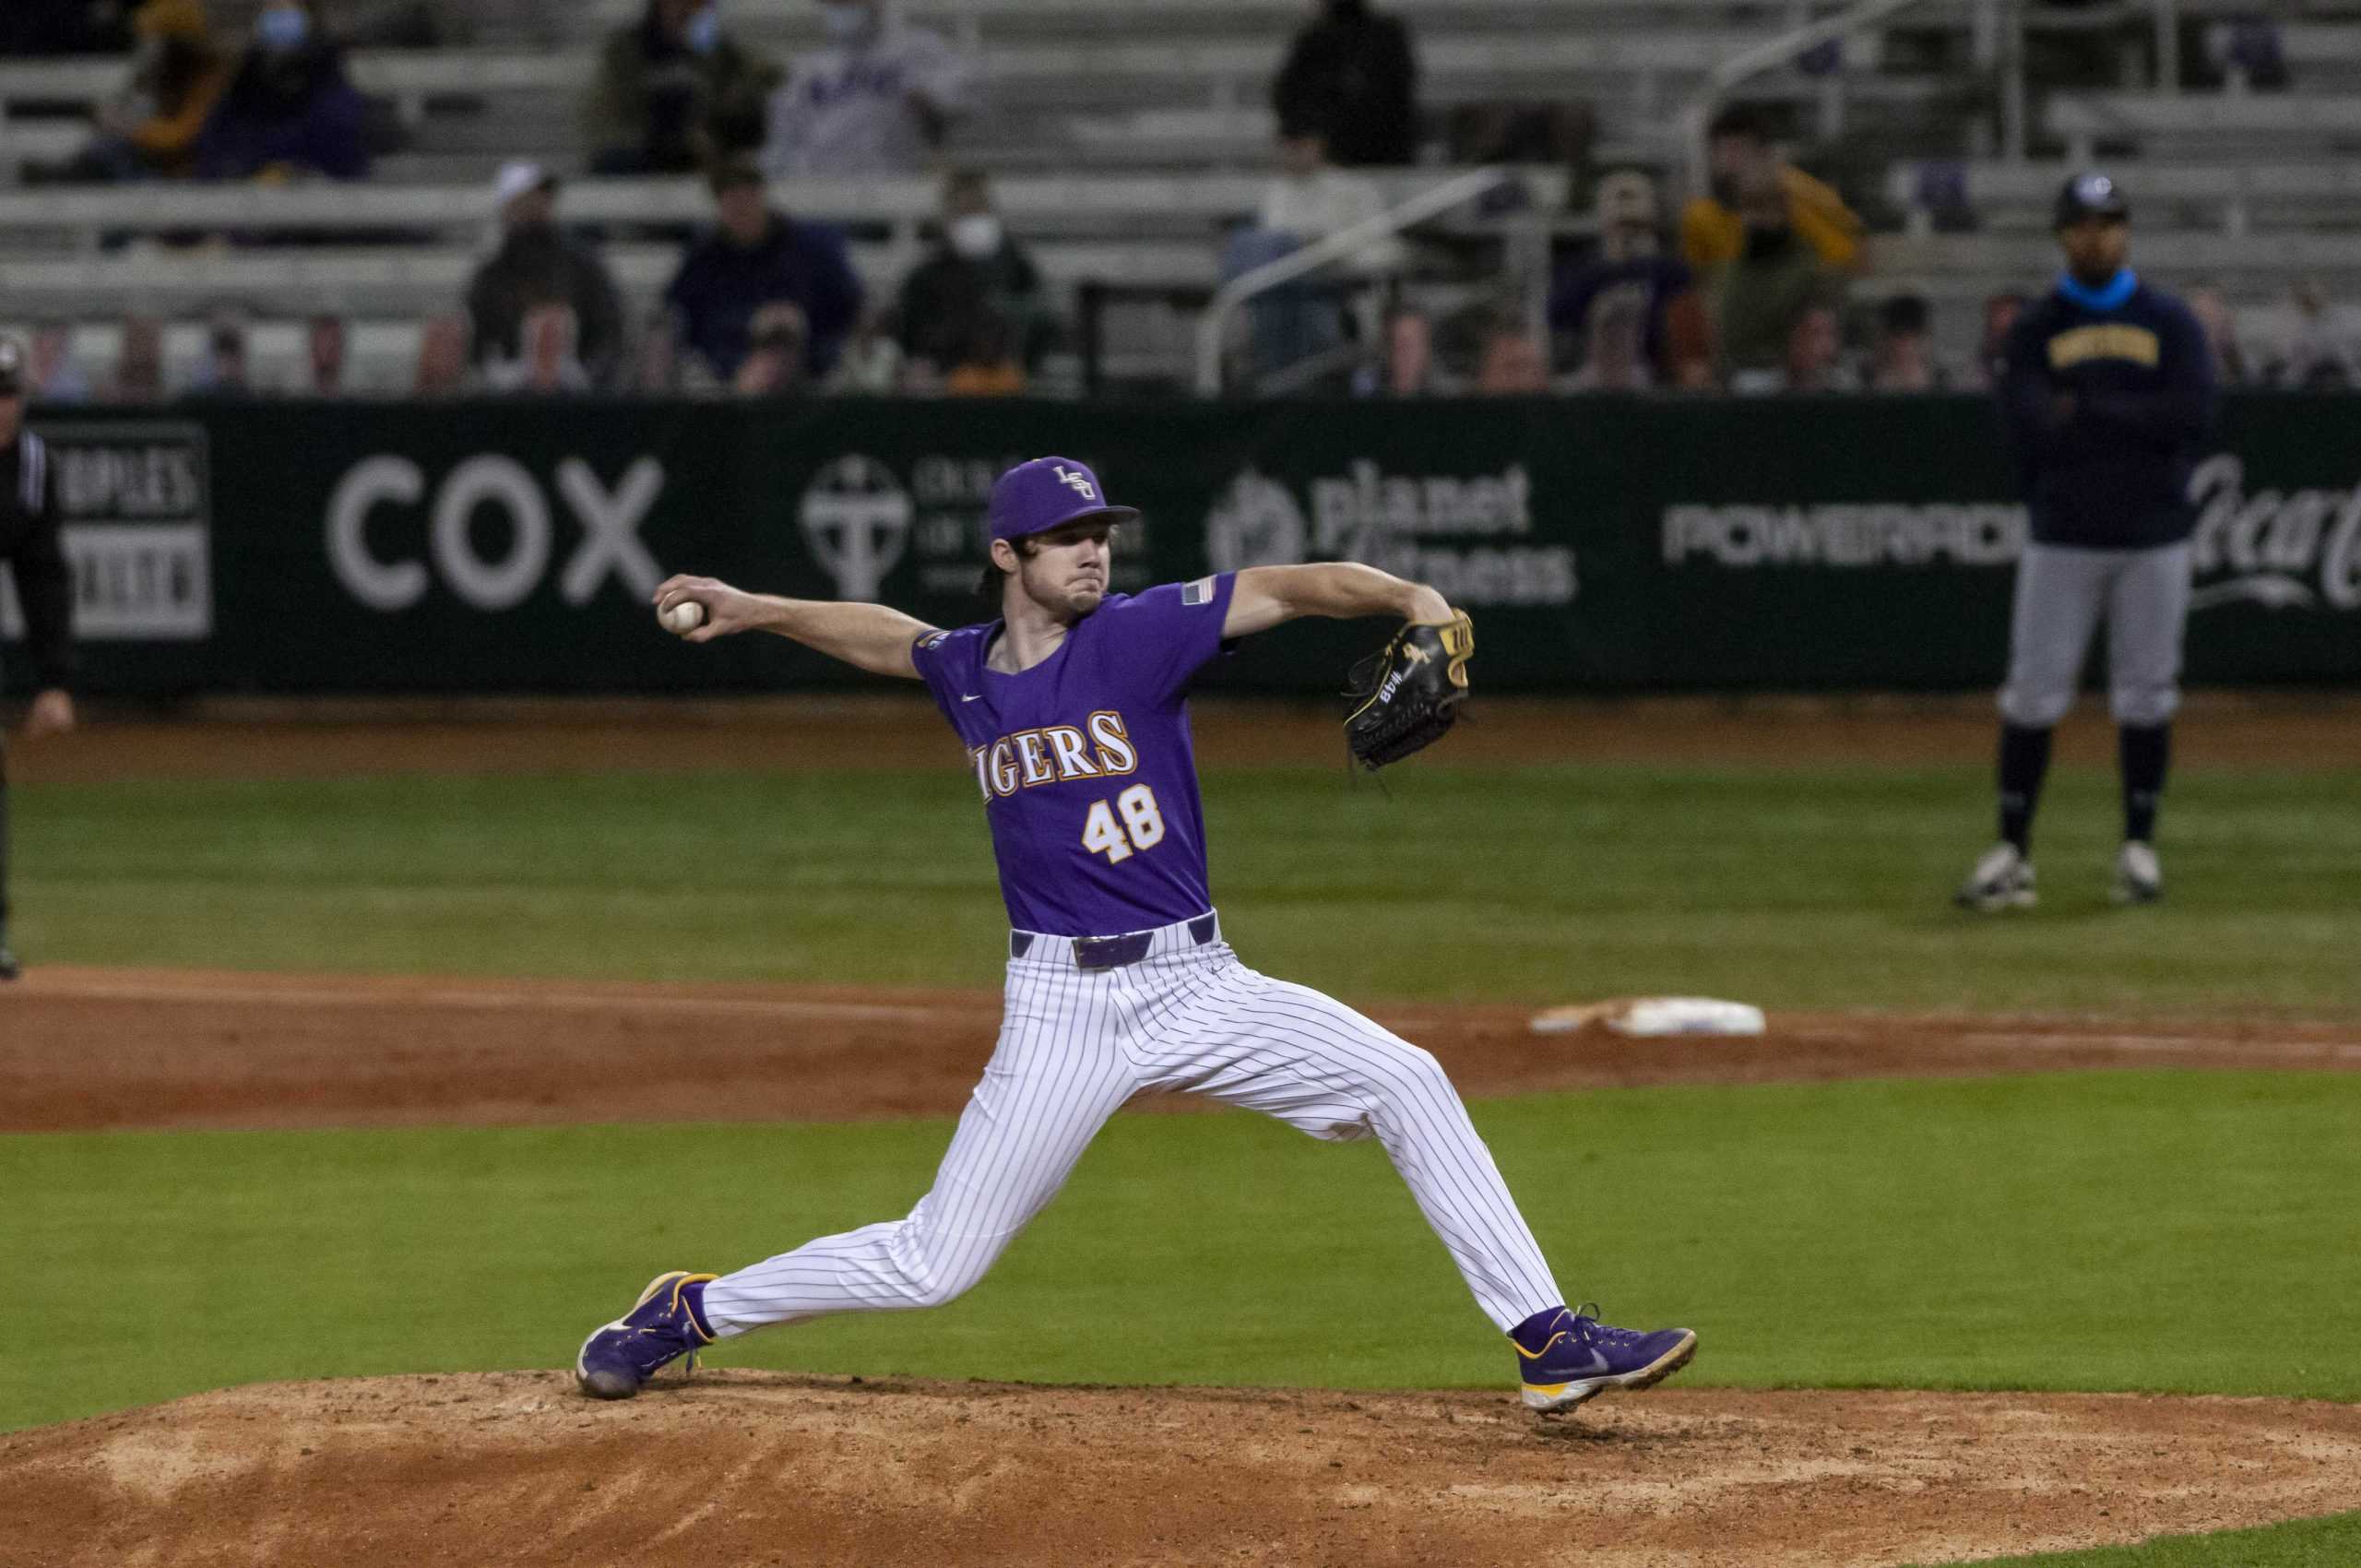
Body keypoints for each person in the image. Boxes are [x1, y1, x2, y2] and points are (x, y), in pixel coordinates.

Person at [577, 456, 1700, 1414]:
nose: (1093, 553)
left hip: (1198, 980)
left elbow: (1293, 584)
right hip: (1059, 1010)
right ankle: (690, 1307)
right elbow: (891, 639)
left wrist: (1409, 593)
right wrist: (758, 606)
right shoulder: (969, 672)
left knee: (1407, 1077)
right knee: (935, 1260)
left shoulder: (1141, 635)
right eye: (1066, 537)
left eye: (1100, 533)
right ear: (1009, 553)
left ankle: (1545, 1341)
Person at [1957, 174, 2215, 911]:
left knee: (2146, 692)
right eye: (2081, 224)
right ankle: (2013, 848)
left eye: (2107, 223)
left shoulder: (2169, 320)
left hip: (2154, 534)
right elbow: (2028, 425)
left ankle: (2139, 846)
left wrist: (2090, 411)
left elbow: (2193, 413)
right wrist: (2135, 416)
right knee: (2034, 692)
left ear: (2126, 230)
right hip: (2064, 534)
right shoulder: (2037, 326)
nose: (2094, 236)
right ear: (2062, 234)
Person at [0, 339, 80, 982]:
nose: (0, 407)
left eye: (8, 393)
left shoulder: (29, 465)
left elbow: (42, 575)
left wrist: (54, 679)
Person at [663, 158, 861, 385]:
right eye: (733, 201)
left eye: (748, 198)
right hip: (725, 372)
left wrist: (793, 324)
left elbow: (844, 306)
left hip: (809, 367)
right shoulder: (704, 258)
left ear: (761, 196)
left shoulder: (808, 248)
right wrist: (746, 333)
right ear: (720, 205)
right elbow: (687, 318)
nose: (742, 209)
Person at [762, 0, 973, 178]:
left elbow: (962, 103)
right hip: (823, 190)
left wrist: (928, 102)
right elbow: (783, 138)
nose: (842, 8)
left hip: (898, 182)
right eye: (834, 3)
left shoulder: (917, 49)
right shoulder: (807, 69)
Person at [466, 162, 627, 391]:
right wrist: (504, 379)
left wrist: (588, 378)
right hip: (510, 398)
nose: (536, 205)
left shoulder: (582, 264)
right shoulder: (492, 275)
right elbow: (480, 343)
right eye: (526, 198)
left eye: (541, 196)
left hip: (577, 395)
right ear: (508, 207)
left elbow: (609, 328)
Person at [31, 0, 229, 184]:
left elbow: (179, 137)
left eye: (166, 40)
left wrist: (130, 130)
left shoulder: (210, 75)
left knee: (117, 157)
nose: (156, 47)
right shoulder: (155, 72)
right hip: (135, 161)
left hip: (181, 172)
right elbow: (129, 111)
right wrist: (110, 119)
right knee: (106, 149)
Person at [890, 169, 1056, 384]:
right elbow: (910, 332)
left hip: (1006, 381)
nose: (972, 219)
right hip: (947, 382)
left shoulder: (1017, 267)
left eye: (977, 209)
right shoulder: (926, 275)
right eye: (963, 212)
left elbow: (1041, 320)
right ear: (948, 217)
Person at [1549, 171, 1711, 390]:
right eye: (1622, 225)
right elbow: (1560, 322)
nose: (1628, 234)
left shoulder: (1672, 273)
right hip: (1596, 376)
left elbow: (1686, 335)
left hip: (1659, 375)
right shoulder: (1582, 273)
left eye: (1635, 226)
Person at [587, 0, 776, 175]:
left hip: (702, 145)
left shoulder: (718, 51)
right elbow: (613, 108)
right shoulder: (628, 48)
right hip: (642, 145)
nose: (684, 10)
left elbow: (765, 75)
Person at [193, 0, 371, 182]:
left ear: (308, 18)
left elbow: (342, 149)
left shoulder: (327, 80)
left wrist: (291, 170)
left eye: (283, 11)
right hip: (245, 193)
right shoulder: (245, 81)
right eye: (271, 11)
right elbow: (217, 144)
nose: (277, 19)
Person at [1680, 105, 1862, 277]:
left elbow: (1842, 255)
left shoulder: (1794, 195)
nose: (1731, 161)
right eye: (1722, 150)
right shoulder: (1701, 214)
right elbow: (1698, 274)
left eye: (1738, 150)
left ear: (1762, 153)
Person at [1709, 170, 1842, 391]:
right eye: (1748, 208)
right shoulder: (1735, 268)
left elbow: (1816, 335)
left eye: (1763, 208)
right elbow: (1724, 331)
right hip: (1738, 379)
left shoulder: (1805, 266)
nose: (1754, 219)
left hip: (1790, 381)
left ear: (1782, 211)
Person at [1271, 0, 1419, 167]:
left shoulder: (1386, 36)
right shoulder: (1313, 40)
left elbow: (1396, 93)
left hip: (1382, 149)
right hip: (1329, 152)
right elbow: (1288, 94)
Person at [1867, 292, 1944, 391]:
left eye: (1913, 338)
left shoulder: (1942, 384)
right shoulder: (1867, 384)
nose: (1905, 347)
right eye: (1899, 337)